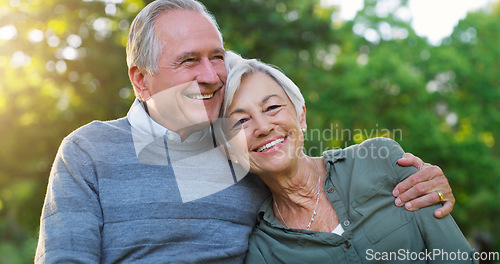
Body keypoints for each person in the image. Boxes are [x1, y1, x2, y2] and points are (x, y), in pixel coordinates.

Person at [35, 0, 455, 263]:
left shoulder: (239, 154)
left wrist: (416, 178)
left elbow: (306, 167)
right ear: (141, 81)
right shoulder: (89, 151)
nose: (211, 74)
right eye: (189, 61)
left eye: (216, 57)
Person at [216, 54, 476, 263]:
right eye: (240, 122)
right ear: (229, 149)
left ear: (301, 116)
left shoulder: (382, 161)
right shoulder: (264, 251)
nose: (263, 127)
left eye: (272, 107)